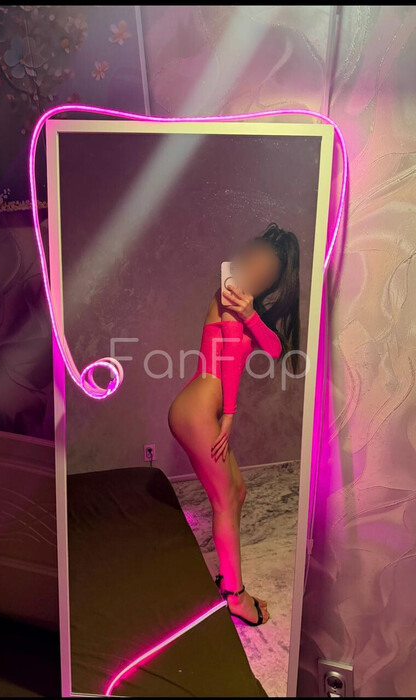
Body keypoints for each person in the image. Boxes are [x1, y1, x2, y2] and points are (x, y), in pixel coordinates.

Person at [168, 222, 300, 626]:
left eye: (266, 274)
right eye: (254, 264)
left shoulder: (244, 308)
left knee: (238, 492)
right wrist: (229, 414)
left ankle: (228, 582)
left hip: (201, 410)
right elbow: (226, 360)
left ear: (272, 283)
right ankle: (236, 598)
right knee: (225, 501)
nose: (256, 274)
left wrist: (250, 315)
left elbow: (274, 349)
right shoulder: (226, 296)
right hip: (198, 410)